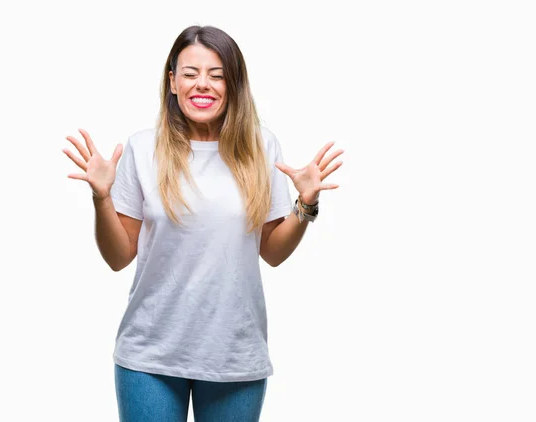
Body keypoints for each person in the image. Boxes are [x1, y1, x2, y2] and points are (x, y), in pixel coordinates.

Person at [62, 25, 343, 422]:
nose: (203, 85)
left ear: (233, 84)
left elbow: (274, 252)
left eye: (217, 75)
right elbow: (118, 256)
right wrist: (101, 197)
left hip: (234, 352)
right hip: (150, 355)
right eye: (190, 73)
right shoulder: (143, 148)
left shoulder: (261, 147)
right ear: (172, 82)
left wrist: (306, 204)